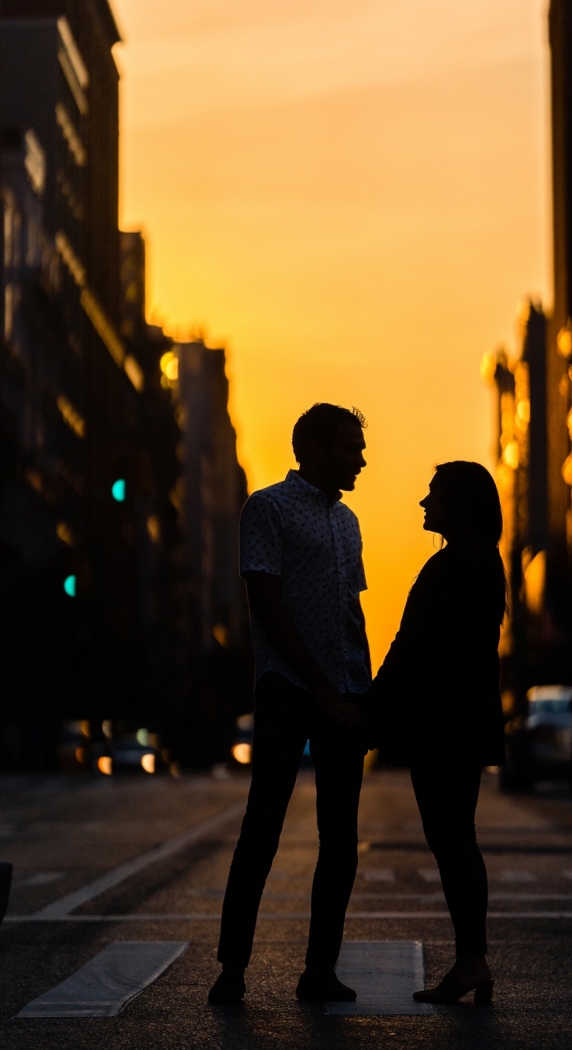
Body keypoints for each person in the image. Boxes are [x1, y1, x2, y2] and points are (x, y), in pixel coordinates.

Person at [209, 403, 371, 1006]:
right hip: (287, 689)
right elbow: (267, 605)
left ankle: (319, 969)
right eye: (350, 446)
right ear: (317, 448)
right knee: (263, 829)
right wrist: (320, 688)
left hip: (345, 693)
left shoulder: (349, 521)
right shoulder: (267, 508)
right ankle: (232, 968)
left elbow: (351, 614)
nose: (360, 458)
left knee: (340, 837)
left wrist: (361, 692)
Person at [362, 461, 506, 1005]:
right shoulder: (483, 565)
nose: (424, 503)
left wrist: (369, 712)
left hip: (442, 726)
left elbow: (408, 649)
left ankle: (472, 961)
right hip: (465, 722)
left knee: (451, 841)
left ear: (458, 506)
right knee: (459, 840)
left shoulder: (447, 569)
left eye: (433, 495)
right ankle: (474, 960)